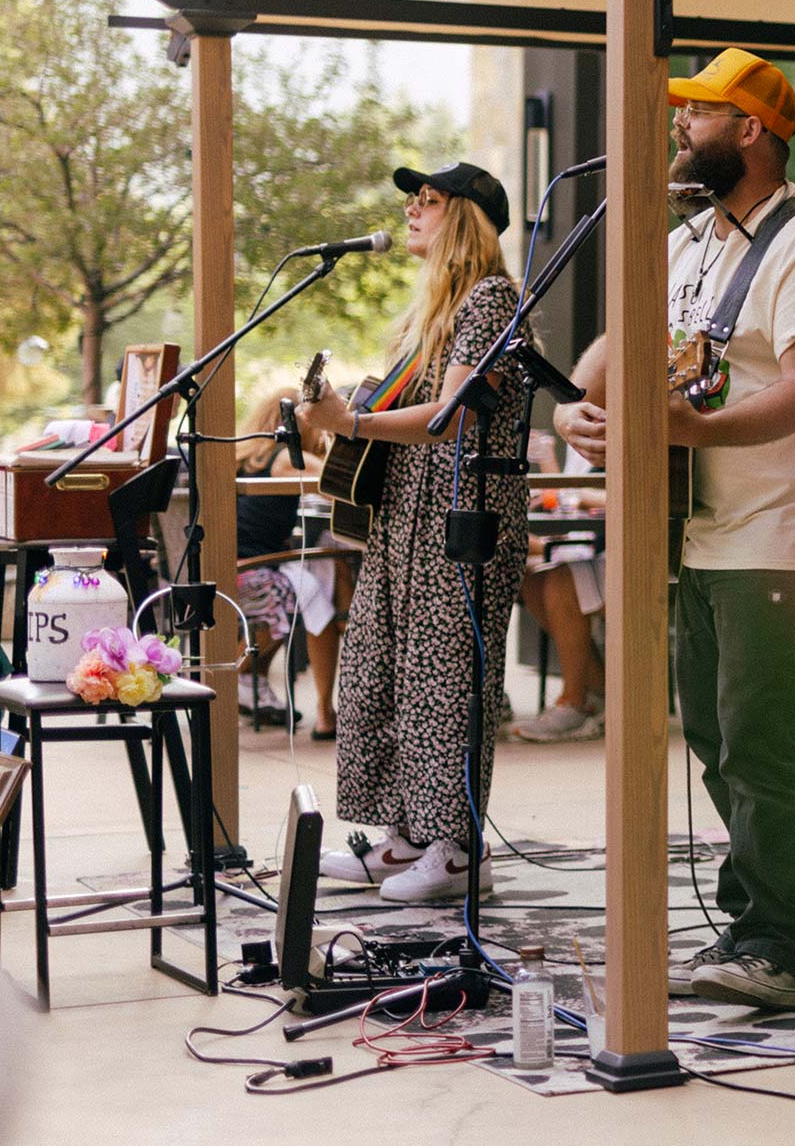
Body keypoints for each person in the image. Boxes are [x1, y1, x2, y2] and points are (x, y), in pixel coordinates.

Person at [555, 48, 795, 1011]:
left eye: (696, 114)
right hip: (700, 530)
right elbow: (604, 364)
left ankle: (778, 943)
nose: (678, 130)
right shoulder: (687, 242)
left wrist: (687, 426)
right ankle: (748, 920)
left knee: (760, 745)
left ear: (752, 131)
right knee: (715, 740)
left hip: (785, 534)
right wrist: (576, 411)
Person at [298, 161, 528, 904]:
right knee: (385, 669)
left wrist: (352, 421)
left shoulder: (492, 298)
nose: (409, 211)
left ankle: (457, 849)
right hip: (408, 513)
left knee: (445, 679)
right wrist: (336, 420)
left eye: (426, 200)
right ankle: (403, 839)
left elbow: (455, 414)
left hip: (463, 509)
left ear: (467, 217)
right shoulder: (428, 311)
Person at [234, 388, 327, 725]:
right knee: (309, 589)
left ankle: (248, 681)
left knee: (306, 582)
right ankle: (235, 675)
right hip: (250, 572)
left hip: (225, 566)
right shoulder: (286, 458)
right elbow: (335, 476)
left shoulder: (243, 456)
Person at [511, 444, 606, 742]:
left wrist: (570, 495)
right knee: (530, 578)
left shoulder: (620, 426)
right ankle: (602, 692)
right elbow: (567, 502)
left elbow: (625, 496)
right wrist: (548, 458)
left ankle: (575, 699)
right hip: (586, 546)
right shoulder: (578, 433)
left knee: (560, 581)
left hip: (629, 550)